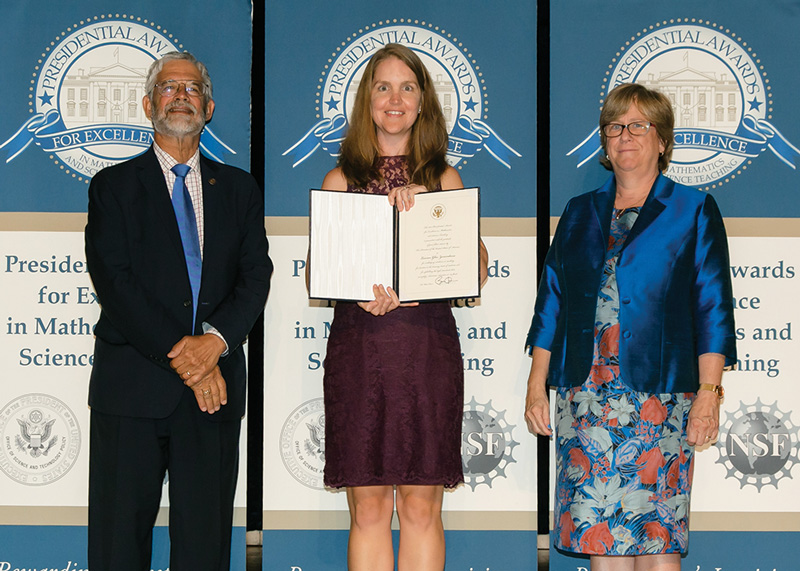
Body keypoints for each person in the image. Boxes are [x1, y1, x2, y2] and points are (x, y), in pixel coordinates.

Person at [524, 83, 736, 570]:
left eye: (639, 125)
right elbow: (551, 304)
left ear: (662, 140)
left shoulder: (693, 210)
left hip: (660, 401)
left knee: (656, 539)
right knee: (603, 541)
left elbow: (712, 309)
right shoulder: (579, 213)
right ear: (604, 141)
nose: (626, 136)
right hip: (586, 399)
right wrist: (538, 386)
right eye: (616, 126)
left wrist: (709, 393)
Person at [85, 51, 272, 571]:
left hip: (212, 396)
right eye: (170, 87)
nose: (182, 95)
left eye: (192, 88)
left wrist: (213, 344)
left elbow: (256, 276)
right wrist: (187, 359)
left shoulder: (239, 189)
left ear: (208, 107)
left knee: (204, 547)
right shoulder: (112, 187)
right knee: (117, 546)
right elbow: (115, 284)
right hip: (132, 389)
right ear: (149, 104)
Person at [318, 43, 488, 571]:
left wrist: (436, 216)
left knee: (420, 506)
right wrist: (354, 287)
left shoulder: (445, 179)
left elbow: (475, 273)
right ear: (367, 100)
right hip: (360, 351)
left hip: (425, 350)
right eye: (383, 87)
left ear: (422, 102)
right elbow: (315, 274)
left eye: (407, 87)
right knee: (368, 508)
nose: (395, 98)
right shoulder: (339, 180)